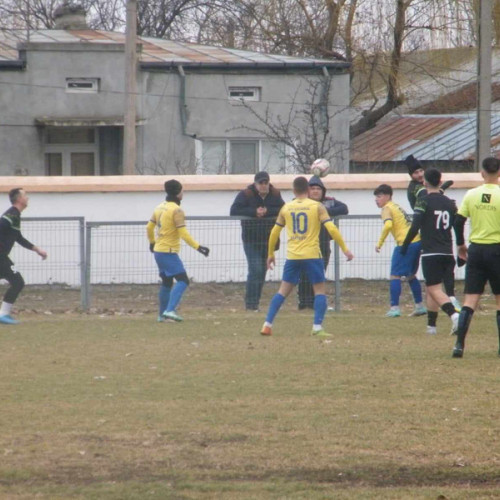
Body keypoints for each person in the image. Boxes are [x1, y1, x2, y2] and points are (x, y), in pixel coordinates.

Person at [260, 176, 353, 337]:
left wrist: (270, 254)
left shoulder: (286, 208)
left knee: (282, 291)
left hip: (293, 256)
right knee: (319, 291)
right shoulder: (317, 207)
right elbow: (331, 228)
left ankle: (267, 325)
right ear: (308, 190)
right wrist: (345, 249)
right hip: (312, 255)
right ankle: (317, 327)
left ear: (293, 190)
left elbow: (274, 232)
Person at [400, 168, 460, 335]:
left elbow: (415, 225)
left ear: (424, 182)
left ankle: (454, 315)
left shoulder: (424, 200)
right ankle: (431, 327)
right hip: (447, 251)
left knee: (433, 289)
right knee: (433, 288)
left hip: (431, 252)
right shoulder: (449, 202)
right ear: (440, 182)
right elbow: (455, 225)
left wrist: (405, 245)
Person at [452, 156, 500, 358]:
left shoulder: (471, 194)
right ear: (499, 173)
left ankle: (459, 345)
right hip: (497, 250)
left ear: (482, 173)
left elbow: (458, 220)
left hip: (476, 250)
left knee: (470, 300)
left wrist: (461, 244)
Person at [147, 179, 209, 322]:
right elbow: (183, 233)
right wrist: (198, 247)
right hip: (168, 251)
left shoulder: (159, 207)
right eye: (182, 190)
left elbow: (149, 227)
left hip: (158, 251)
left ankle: (161, 315)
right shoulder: (177, 210)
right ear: (177, 193)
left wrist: (152, 243)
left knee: (167, 282)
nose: (183, 193)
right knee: (183, 280)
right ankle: (170, 310)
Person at [230, 171, 284, 311]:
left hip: (268, 239)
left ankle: (255, 303)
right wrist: (254, 212)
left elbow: (283, 210)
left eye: (266, 183)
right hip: (250, 239)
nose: (263, 186)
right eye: (261, 183)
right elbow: (234, 211)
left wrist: (266, 211)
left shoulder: (275, 194)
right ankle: (250, 304)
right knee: (255, 269)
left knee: (262, 271)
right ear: (255, 183)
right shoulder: (246, 194)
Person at [374, 184, 425, 317]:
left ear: (387, 196)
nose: (376, 200)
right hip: (417, 241)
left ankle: (394, 308)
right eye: (376, 197)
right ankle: (419, 306)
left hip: (405, 244)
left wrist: (379, 243)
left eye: (379, 197)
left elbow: (388, 225)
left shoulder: (386, 208)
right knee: (410, 275)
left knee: (395, 275)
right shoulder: (396, 206)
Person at [297, 175, 349, 309]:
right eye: (312, 188)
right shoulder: (302, 201)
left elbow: (344, 208)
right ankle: (304, 303)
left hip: (323, 243)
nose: (315, 191)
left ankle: (316, 302)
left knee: (319, 274)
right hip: (305, 244)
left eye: (318, 189)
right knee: (304, 275)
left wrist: (324, 212)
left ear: (323, 191)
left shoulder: (329, 202)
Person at [0, 188, 47, 324]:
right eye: (25, 195)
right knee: (18, 282)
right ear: (19, 199)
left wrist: (36, 249)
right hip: (1, 258)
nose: (28, 198)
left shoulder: (15, 215)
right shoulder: (11, 214)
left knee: (17, 282)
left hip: (2, 257)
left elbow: (18, 237)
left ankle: (3, 314)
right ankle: (3, 315)